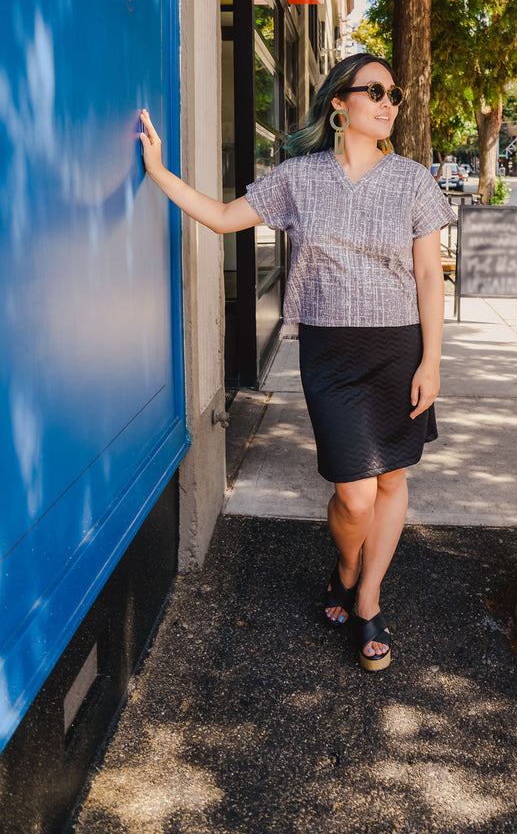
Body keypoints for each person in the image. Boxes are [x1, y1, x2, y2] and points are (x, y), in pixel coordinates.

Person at [139, 53, 454, 671]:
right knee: (354, 493)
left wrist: (432, 361)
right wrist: (157, 173)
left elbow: (427, 274)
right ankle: (344, 563)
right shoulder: (300, 177)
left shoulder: (414, 180)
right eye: (376, 91)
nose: (389, 103)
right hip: (331, 352)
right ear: (340, 103)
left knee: (392, 478)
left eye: (395, 94)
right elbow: (226, 218)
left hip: (399, 348)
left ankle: (367, 597)